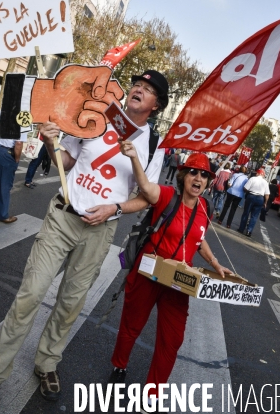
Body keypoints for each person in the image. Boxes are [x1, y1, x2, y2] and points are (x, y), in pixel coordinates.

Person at [0, 69, 168, 414]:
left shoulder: (153, 144)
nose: (138, 89)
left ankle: (46, 363)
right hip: (63, 216)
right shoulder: (98, 114)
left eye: (148, 89)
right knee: (30, 294)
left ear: (156, 105)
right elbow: (67, 160)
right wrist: (50, 141)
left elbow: (147, 197)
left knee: (70, 303)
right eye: (137, 83)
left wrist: (114, 208)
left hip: (99, 231)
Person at [108, 149, 233, 413]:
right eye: (193, 172)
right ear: (183, 176)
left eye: (204, 175)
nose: (198, 178)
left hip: (178, 281)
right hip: (148, 272)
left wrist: (215, 264)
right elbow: (144, 186)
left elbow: (197, 240)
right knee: (132, 325)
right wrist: (133, 157)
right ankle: (119, 365)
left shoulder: (205, 208)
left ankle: (153, 392)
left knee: (172, 339)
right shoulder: (166, 196)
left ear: (209, 181)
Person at [0, 110, 26, 223]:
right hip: (6, 153)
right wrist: (16, 159)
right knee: (5, 187)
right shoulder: (24, 115)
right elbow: (19, 143)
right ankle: (1, 215)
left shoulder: (1, 109)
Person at [238, 169, 270, 237]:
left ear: (258, 173)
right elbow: (267, 194)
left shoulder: (252, 179)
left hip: (251, 196)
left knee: (246, 213)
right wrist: (265, 202)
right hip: (260, 198)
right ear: (263, 175)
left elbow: (245, 188)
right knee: (254, 216)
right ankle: (249, 231)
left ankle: (241, 228)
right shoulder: (265, 182)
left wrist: (247, 192)